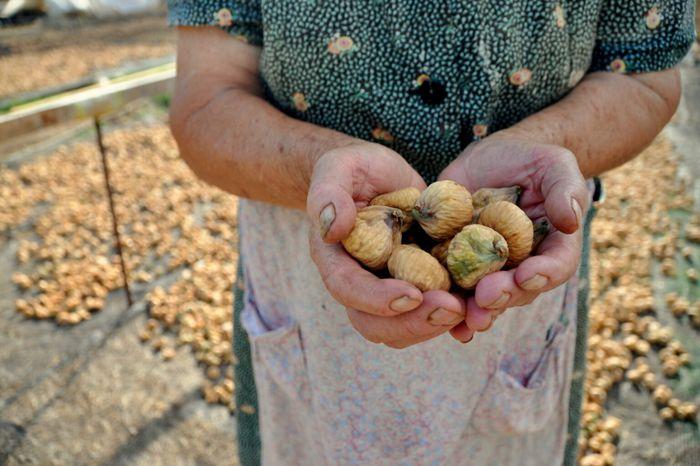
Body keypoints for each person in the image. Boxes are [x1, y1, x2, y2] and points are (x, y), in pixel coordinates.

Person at [167, 1, 695, 464]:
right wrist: (318, 167)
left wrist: (543, 147)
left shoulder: (485, 232)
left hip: (521, 269)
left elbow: (646, 75)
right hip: (313, 253)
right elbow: (205, 102)